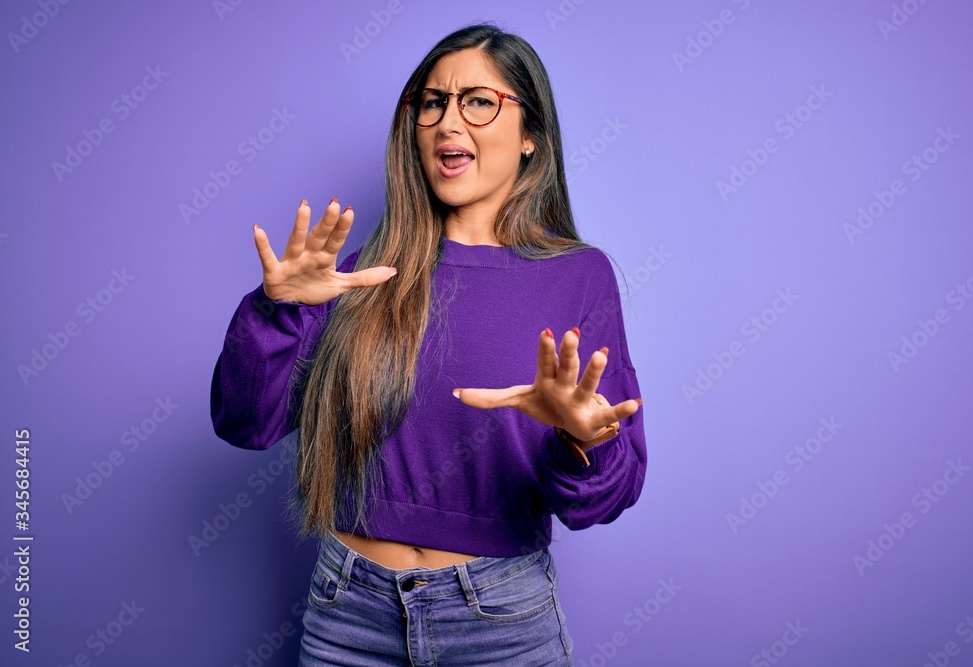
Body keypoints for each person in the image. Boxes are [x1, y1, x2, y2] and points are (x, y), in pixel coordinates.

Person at [210, 21, 647, 666]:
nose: (448, 121)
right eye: (433, 103)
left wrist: (584, 439)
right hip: (347, 612)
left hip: (498, 621)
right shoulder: (355, 273)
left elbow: (604, 500)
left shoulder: (577, 276)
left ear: (531, 136)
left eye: (478, 101)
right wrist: (274, 311)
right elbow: (244, 424)